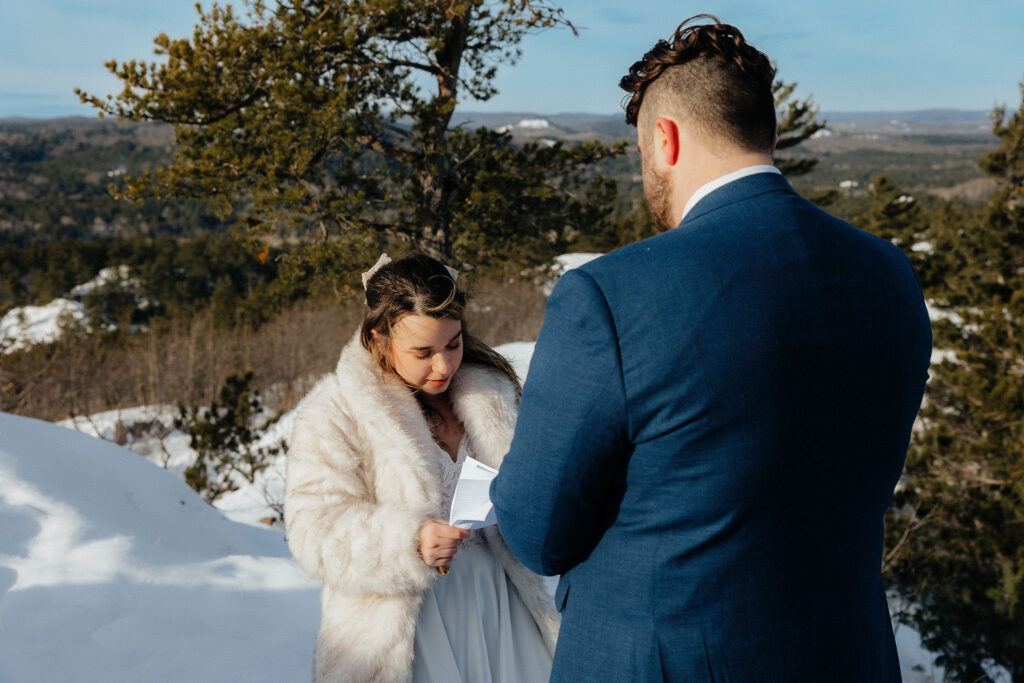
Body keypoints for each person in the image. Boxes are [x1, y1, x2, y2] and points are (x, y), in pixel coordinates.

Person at [490, 14, 932, 682]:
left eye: (642, 155)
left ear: (664, 139)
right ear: (771, 135)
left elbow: (536, 533)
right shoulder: (889, 273)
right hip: (849, 655)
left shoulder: (609, 296)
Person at [284, 253, 558, 683]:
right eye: (422, 352)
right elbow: (312, 530)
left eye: (453, 344)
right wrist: (408, 541)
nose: (443, 366)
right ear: (379, 338)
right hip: (400, 627)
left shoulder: (493, 396)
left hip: (502, 607)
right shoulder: (335, 410)